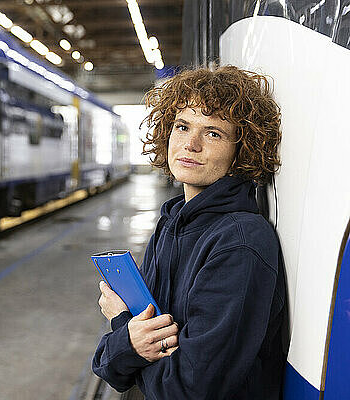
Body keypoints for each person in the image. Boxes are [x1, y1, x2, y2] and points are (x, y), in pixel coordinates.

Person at [92, 66, 287, 399]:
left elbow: (187, 390)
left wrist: (123, 327)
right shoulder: (171, 224)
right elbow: (107, 367)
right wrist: (132, 341)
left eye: (214, 133)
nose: (190, 144)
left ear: (241, 151)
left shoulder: (240, 243)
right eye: (182, 126)